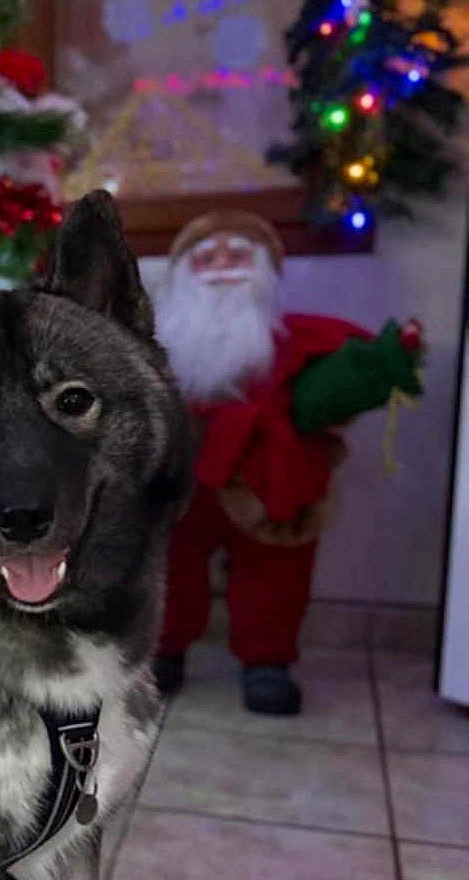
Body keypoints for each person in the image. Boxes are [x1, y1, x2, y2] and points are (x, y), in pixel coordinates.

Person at [152, 211, 423, 715]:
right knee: (167, 564)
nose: (222, 266)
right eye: (206, 258)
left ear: (264, 271)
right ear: (183, 275)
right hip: (184, 479)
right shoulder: (155, 348)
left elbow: (350, 372)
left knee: (276, 571)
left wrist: (385, 362)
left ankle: (267, 661)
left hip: (270, 477)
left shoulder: (300, 338)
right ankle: (163, 650)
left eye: (237, 256)